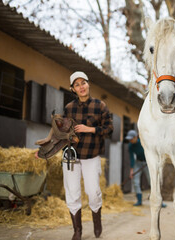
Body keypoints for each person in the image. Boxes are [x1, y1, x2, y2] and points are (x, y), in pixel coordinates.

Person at [64, 71, 113, 240]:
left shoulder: (100, 106)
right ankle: (77, 231)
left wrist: (90, 129)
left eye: (83, 83)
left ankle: (96, 221)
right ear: (73, 89)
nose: (81, 87)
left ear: (88, 84)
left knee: (93, 192)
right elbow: (64, 131)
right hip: (71, 156)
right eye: (77, 85)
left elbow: (109, 129)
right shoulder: (69, 108)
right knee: (72, 192)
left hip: (91, 155)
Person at [125, 130, 167, 207]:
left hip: (148, 162)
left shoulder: (142, 142)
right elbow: (131, 158)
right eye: (129, 139)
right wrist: (131, 171)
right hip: (138, 162)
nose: (130, 140)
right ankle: (139, 200)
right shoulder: (130, 146)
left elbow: (151, 151)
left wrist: (152, 161)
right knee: (135, 181)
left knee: (152, 181)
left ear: (135, 137)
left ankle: (159, 201)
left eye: (131, 139)